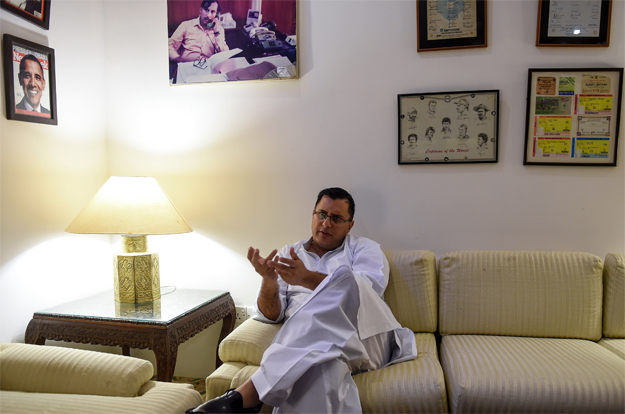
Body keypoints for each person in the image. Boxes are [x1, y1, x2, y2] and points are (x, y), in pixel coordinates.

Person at [188, 188, 417, 414]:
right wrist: (269, 281)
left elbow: (365, 296)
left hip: (365, 337)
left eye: (336, 218)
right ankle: (242, 399)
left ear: (350, 225)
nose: (326, 223)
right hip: (324, 348)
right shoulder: (290, 254)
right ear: (313, 215)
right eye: (322, 214)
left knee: (346, 278)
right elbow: (271, 315)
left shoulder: (366, 249)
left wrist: (306, 278)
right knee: (323, 368)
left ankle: (249, 394)